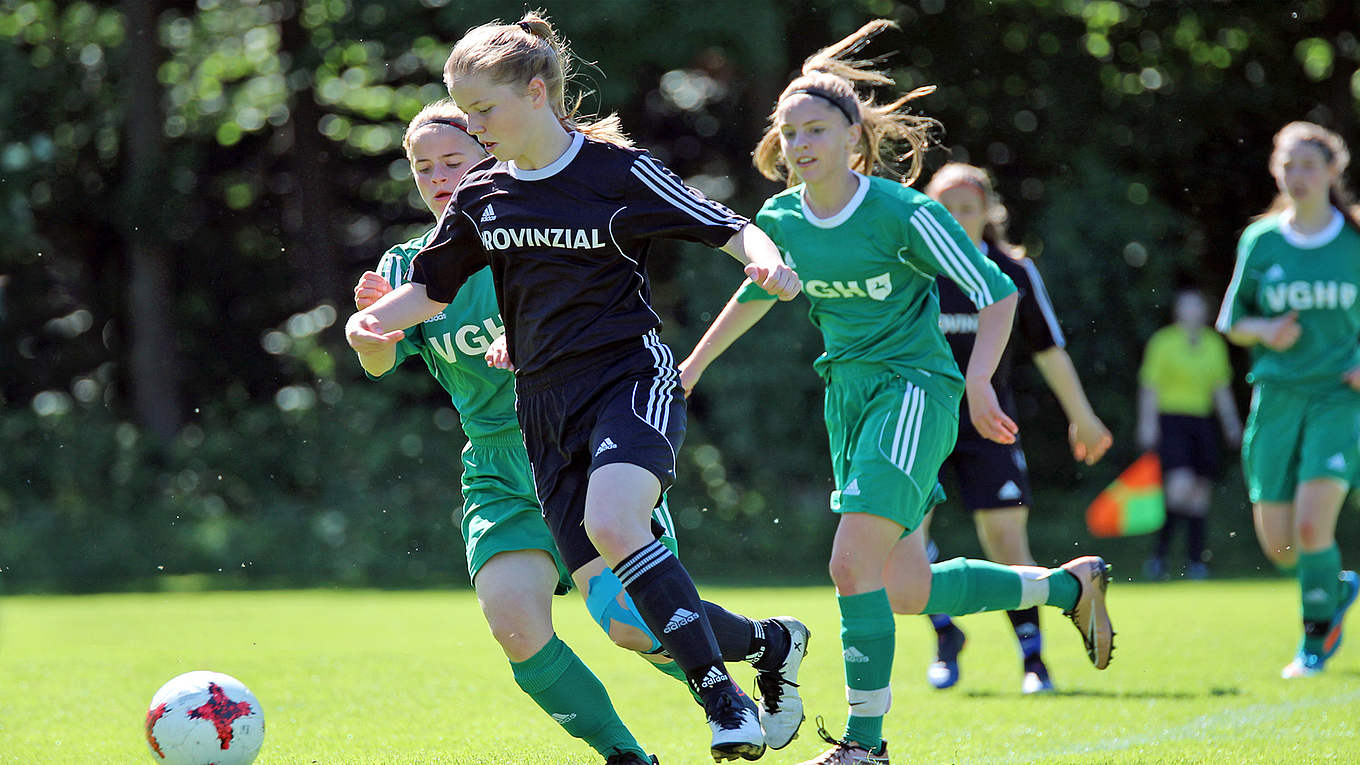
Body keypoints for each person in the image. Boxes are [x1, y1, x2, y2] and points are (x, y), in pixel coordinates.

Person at [345, 14, 809, 762]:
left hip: (628, 380)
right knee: (628, 622)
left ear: (536, 92)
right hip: (543, 415)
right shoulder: (484, 196)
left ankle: (723, 702)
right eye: (464, 112)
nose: (474, 126)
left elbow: (725, 224)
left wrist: (767, 258)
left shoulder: (612, 172)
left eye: (482, 112)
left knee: (614, 523)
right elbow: (427, 292)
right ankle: (771, 646)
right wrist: (366, 326)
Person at [679, 21, 1114, 765]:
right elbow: (756, 295)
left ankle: (864, 746)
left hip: (914, 391)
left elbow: (997, 293)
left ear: (854, 138)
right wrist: (689, 369)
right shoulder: (782, 219)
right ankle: (1066, 588)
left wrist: (978, 381)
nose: (801, 142)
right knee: (906, 588)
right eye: (790, 132)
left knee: (850, 566)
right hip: (847, 398)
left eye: (817, 128)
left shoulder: (905, 212)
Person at [349, 100, 671, 764]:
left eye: (453, 161)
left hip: (574, 443)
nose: (437, 176)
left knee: (634, 626)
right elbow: (382, 363)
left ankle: (729, 686)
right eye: (423, 166)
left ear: (490, 156)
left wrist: (525, 334)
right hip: (496, 466)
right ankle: (625, 755)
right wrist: (367, 332)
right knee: (516, 627)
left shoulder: (533, 232)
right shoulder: (410, 263)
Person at [918, 162, 1114, 695]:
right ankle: (945, 635)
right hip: (918, 424)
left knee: (1006, 541)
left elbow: (1049, 349)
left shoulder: (1013, 273)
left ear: (988, 213)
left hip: (990, 425)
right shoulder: (913, 268)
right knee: (901, 550)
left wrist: (1083, 415)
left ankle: (1034, 661)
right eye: (945, 209)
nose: (957, 219)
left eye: (968, 208)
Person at [1216, 120, 1360, 678]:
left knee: (1310, 528)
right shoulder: (1263, 240)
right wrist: (1267, 329)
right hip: (1276, 399)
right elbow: (1232, 320)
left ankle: (1314, 640)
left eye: (1307, 165)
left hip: (1336, 400)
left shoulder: (1353, 241)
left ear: (1332, 171)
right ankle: (1335, 586)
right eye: (1287, 165)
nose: (1296, 176)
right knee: (1280, 549)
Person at [1138, 288, 1242, 580]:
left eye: (1197, 306)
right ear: (1178, 311)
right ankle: (1158, 557)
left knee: (1199, 496)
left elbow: (1220, 389)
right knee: (1179, 488)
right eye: (1187, 306)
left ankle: (1196, 561)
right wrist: (1147, 425)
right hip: (1172, 421)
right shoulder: (1163, 342)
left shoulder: (1213, 344)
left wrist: (1232, 424)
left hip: (1202, 423)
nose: (1192, 312)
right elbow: (1150, 386)